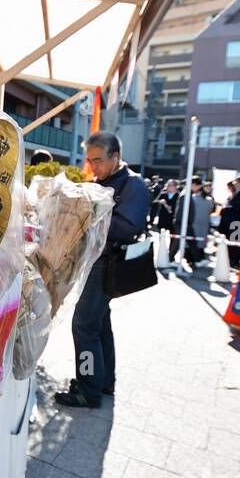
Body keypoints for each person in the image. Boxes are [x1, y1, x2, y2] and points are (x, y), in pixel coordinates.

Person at [55, 132, 151, 408]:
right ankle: (103, 380)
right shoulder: (103, 181)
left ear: (116, 157)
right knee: (99, 325)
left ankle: (87, 388)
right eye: (89, 160)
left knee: (83, 326)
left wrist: (86, 214)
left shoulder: (133, 184)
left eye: (97, 160)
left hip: (108, 264)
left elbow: (128, 226)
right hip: (96, 262)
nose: (92, 166)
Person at [217, 177, 240, 268]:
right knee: (232, 242)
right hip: (233, 222)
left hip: (238, 222)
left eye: (236, 182)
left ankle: (234, 262)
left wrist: (227, 209)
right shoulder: (238, 193)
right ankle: (232, 261)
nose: (234, 184)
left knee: (235, 243)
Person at [173, 176, 211, 265]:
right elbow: (181, 211)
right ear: (194, 185)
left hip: (186, 222)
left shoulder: (187, 193)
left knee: (189, 242)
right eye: (198, 186)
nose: (198, 188)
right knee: (180, 243)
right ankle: (170, 259)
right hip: (183, 222)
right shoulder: (186, 194)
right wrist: (184, 222)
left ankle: (197, 260)